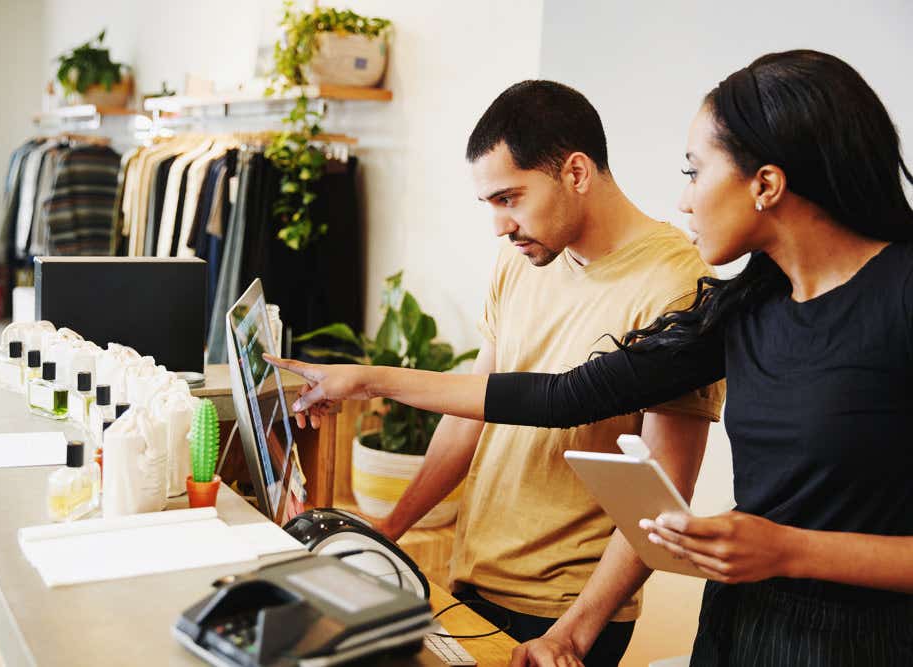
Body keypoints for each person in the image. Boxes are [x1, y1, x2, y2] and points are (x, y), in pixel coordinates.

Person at [268, 49, 913, 665]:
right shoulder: (743, 310)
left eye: (695, 171)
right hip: (740, 630)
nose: (685, 197)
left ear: (766, 184)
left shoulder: (896, 296)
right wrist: (368, 386)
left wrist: (789, 551)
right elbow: (562, 396)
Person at [308, 80, 725, 666]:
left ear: (576, 173)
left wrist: (575, 631)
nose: (500, 226)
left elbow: (664, 492)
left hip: (564, 607)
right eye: (491, 205)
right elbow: (469, 417)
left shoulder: (675, 283)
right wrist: (389, 530)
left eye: (510, 199)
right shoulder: (522, 258)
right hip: (472, 576)